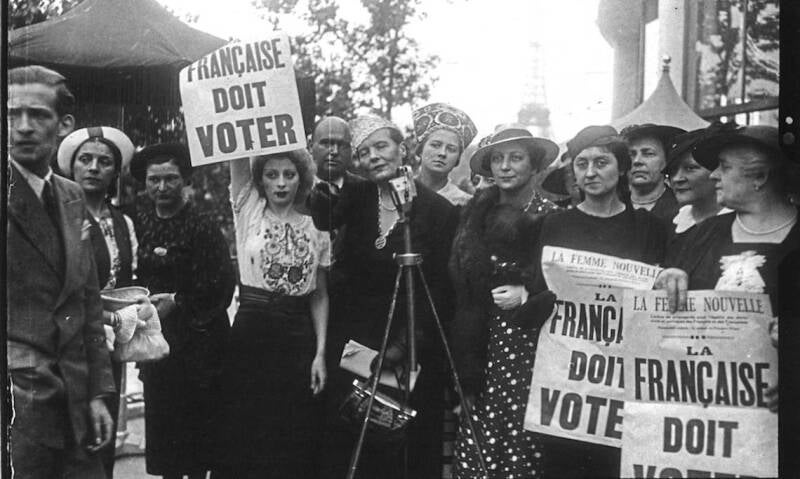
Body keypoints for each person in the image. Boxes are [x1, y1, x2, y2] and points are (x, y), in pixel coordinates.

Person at [308, 115, 459, 479]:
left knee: (401, 449)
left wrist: (405, 345)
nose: (373, 157)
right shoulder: (356, 196)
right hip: (355, 344)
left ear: (402, 149)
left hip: (409, 345)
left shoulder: (438, 211)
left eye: (381, 147)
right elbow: (322, 216)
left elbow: (439, 289)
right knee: (349, 444)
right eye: (364, 152)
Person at [531, 125, 671, 478]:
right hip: (569, 385)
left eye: (601, 162)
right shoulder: (555, 225)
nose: (590, 173)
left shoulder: (649, 227)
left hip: (625, 383)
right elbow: (538, 297)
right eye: (581, 164)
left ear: (622, 167)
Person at [7, 65, 116, 478]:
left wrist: (96, 395)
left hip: (75, 400)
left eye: (38, 115)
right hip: (18, 404)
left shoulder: (72, 196)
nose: (23, 127)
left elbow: (86, 301)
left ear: (64, 123)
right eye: (12, 114)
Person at [450, 125, 561, 479]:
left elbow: (566, 282)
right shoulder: (474, 215)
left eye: (516, 158)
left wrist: (530, 294)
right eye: (498, 159)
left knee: (524, 436)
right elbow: (462, 288)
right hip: (483, 345)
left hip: (532, 342)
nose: (505, 167)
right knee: (481, 435)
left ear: (533, 165)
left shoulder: (553, 215)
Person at [214, 150, 330, 478]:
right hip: (252, 330)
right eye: (271, 174)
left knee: (291, 431)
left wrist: (320, 352)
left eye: (289, 175)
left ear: (301, 179)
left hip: (297, 336)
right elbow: (235, 154)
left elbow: (320, 294)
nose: (280, 183)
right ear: (260, 180)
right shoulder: (248, 209)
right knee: (246, 428)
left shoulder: (318, 226)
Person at [130, 143, 236, 479]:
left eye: (171, 179)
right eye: (154, 180)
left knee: (203, 436)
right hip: (157, 345)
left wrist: (178, 300)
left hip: (201, 346)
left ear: (185, 180)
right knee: (168, 437)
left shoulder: (202, 226)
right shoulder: (137, 223)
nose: (162, 188)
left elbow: (222, 283)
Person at [57, 126, 145, 478]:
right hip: (68, 343)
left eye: (104, 162)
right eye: (86, 160)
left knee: (103, 433)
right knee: (70, 434)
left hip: (111, 342)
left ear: (114, 172)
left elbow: (130, 278)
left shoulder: (123, 221)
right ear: (72, 167)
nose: (94, 167)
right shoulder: (59, 215)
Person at [658, 124, 798, 345]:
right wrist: (668, 279)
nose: (713, 175)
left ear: (760, 176)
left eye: (724, 167)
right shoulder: (705, 231)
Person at [664, 126, 731, 236]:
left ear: (717, 171)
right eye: (672, 170)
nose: (677, 178)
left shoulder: (737, 224)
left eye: (690, 168)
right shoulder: (669, 225)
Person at [412, 102, 477, 206]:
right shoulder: (400, 191)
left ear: (458, 159)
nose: (442, 153)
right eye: (435, 145)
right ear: (420, 150)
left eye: (451, 149)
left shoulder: (465, 203)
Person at [621, 123, 686, 220]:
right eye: (631, 154)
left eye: (648, 154)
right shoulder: (610, 205)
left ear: (666, 160)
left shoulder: (682, 210)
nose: (637, 161)